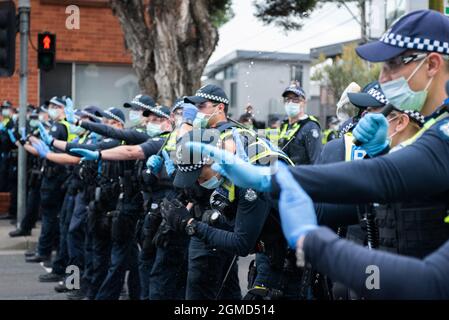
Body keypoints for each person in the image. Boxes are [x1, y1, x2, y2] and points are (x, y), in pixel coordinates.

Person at [278, 81, 322, 165]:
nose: (290, 103)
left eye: (295, 99)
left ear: (304, 102)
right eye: (287, 99)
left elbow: (316, 161)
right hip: (284, 174)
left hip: (300, 176)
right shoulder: (284, 125)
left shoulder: (310, 126)